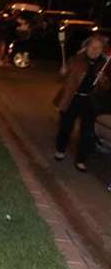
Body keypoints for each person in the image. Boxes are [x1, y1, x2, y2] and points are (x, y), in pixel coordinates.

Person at [54, 34, 110, 172]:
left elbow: (106, 87)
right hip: (71, 98)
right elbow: (63, 76)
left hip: (88, 100)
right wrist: (63, 72)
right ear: (86, 47)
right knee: (66, 127)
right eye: (93, 47)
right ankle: (60, 149)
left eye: (99, 48)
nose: (95, 50)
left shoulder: (103, 64)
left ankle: (81, 159)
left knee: (87, 132)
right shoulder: (76, 60)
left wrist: (102, 80)